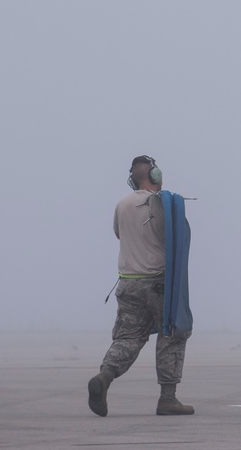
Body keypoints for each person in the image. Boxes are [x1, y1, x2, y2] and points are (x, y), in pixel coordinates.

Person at [87, 155, 194, 417]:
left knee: (129, 338)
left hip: (127, 283)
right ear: (155, 175)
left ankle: (105, 376)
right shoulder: (160, 204)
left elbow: (119, 234)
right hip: (157, 283)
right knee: (172, 334)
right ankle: (168, 399)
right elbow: (175, 238)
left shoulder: (122, 204)